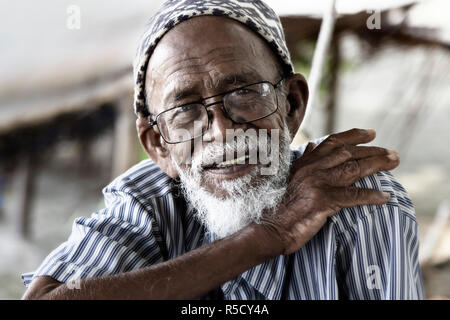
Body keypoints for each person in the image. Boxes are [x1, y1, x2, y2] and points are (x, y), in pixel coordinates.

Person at [22, 0, 424, 300]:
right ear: (158, 146)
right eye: (185, 109)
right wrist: (268, 235)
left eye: (245, 92)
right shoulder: (148, 200)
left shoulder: (352, 198)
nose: (221, 130)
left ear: (292, 105)